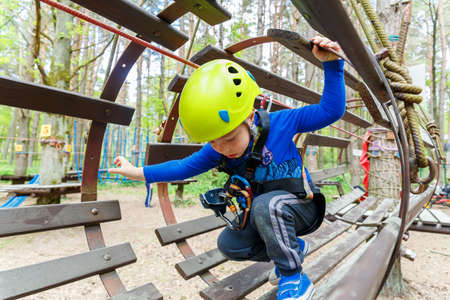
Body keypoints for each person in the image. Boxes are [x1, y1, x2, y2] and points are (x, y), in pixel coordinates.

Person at [109, 36, 346, 300]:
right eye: (214, 142)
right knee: (230, 245)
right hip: (267, 217)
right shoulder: (218, 149)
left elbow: (330, 111)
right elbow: (181, 168)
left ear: (249, 116)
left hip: (301, 207)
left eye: (230, 138)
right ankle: (293, 248)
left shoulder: (283, 123)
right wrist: (135, 171)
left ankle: (293, 277)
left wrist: (332, 65)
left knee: (266, 205)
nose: (223, 148)